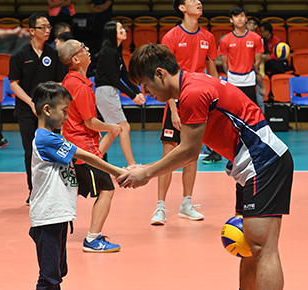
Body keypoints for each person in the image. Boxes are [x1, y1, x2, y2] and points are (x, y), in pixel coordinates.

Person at [120, 43, 293, 290]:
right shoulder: (189, 88)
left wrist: (145, 172)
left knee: (262, 247)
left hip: (265, 163)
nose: (146, 92)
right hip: (249, 167)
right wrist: (142, 168)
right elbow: (189, 155)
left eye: (146, 85)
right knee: (249, 247)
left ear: (160, 73)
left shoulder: (193, 92)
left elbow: (189, 151)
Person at [29, 81, 125, 289]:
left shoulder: (53, 138)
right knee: (49, 278)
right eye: (64, 111)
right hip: (48, 218)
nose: (66, 116)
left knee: (58, 272)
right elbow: (83, 155)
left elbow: (82, 160)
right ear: (47, 110)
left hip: (59, 216)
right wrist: (118, 172)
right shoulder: (46, 139)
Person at [150, 0, 218, 226]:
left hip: (199, 101)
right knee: (169, 154)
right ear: (181, 7)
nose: (198, 3)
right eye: (192, 0)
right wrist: (172, 109)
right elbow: (163, 77)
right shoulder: (170, 37)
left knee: (192, 154)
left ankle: (186, 204)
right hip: (177, 101)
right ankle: (160, 206)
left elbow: (212, 72)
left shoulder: (208, 37)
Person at [59, 39, 122, 252]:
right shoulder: (81, 86)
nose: (87, 50)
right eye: (83, 48)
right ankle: (93, 240)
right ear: (76, 59)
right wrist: (111, 127)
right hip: (83, 147)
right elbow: (90, 122)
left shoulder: (69, 80)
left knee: (74, 190)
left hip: (74, 145)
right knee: (106, 189)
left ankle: (55, 231)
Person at [9, 13, 67, 205]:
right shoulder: (19, 53)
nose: (47, 30)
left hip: (50, 111)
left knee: (53, 148)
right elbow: (14, 83)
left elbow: (59, 81)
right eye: (42, 27)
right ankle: (33, 190)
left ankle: (55, 188)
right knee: (30, 150)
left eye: (49, 27)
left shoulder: (53, 53)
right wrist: (31, 102)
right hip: (27, 109)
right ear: (31, 31)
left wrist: (53, 105)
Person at [95, 20, 145, 166]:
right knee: (123, 127)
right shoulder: (108, 52)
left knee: (114, 130)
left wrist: (137, 90)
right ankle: (132, 165)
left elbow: (124, 75)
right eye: (120, 29)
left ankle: (93, 161)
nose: (124, 30)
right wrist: (133, 96)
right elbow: (115, 80)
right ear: (112, 33)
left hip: (110, 92)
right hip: (106, 92)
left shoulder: (116, 51)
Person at [218, 6, 265, 105]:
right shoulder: (225, 40)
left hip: (250, 80)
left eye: (242, 16)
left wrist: (252, 72)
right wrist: (231, 75)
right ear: (231, 20)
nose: (239, 19)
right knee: (234, 110)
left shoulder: (256, 38)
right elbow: (224, 64)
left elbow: (257, 62)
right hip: (233, 80)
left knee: (250, 111)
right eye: (236, 16)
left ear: (246, 19)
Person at [246, 17, 265, 113]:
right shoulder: (242, 38)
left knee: (260, 100)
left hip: (257, 72)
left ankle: (263, 124)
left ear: (255, 26)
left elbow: (258, 56)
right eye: (247, 23)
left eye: (251, 23)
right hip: (245, 73)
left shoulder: (259, 39)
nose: (248, 25)